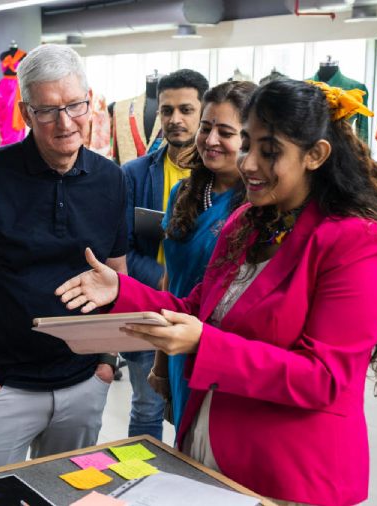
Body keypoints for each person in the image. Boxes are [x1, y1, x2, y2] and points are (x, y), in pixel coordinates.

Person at [56, 79, 377, 505]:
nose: (249, 163)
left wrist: (205, 344)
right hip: (212, 448)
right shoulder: (247, 222)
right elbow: (197, 308)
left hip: (290, 472)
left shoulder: (355, 242)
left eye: (269, 151)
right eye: (248, 144)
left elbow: (324, 379)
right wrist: (120, 291)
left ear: (316, 155)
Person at [0, 44, 127, 477]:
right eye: (47, 110)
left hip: (83, 384)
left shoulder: (111, 179)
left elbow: (117, 274)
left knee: (67, 495)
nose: (65, 123)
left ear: (90, 101)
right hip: (1, 388)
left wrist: (105, 364)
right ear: (25, 112)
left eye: (75, 105)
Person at [151, 81, 254, 428]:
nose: (210, 140)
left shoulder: (261, 204)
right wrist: (160, 363)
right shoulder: (185, 192)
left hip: (226, 351)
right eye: (206, 128)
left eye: (225, 132)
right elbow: (171, 282)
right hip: (179, 342)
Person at [120, 68, 209, 440]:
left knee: (199, 413)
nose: (176, 119)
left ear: (204, 112)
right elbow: (120, 248)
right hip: (152, 308)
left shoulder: (226, 177)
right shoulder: (135, 175)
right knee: (147, 406)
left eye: (187, 110)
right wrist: (161, 277)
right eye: (167, 110)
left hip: (205, 317)